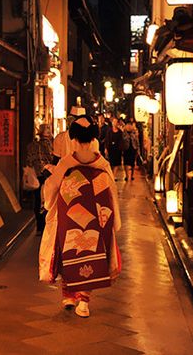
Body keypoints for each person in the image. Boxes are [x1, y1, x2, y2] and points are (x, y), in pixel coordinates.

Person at [39, 115, 122, 318]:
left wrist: (49, 203)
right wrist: (115, 219)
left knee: (70, 249)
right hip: (98, 214)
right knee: (94, 250)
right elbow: (111, 189)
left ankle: (68, 294)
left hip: (71, 212)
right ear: (94, 137)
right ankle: (84, 300)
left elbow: (52, 187)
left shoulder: (68, 161)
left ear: (73, 138)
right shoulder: (101, 163)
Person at [25, 123, 55, 235]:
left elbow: (29, 161)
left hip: (36, 177)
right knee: (48, 200)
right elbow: (53, 159)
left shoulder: (31, 146)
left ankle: (39, 226)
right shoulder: (50, 145)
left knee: (37, 201)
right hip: (48, 176)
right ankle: (47, 225)